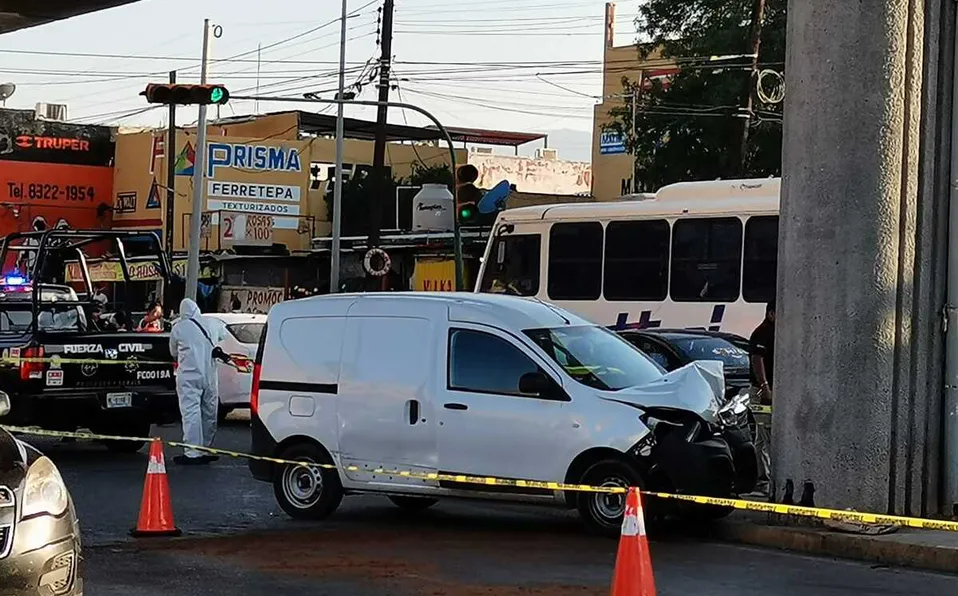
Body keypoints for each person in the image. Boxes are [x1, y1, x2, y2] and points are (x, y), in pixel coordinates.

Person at [168, 298, 226, 465]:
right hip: (209, 375)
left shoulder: (178, 328)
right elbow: (224, 334)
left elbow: (172, 351)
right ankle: (206, 447)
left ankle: (193, 452)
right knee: (209, 412)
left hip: (188, 377)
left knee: (191, 413)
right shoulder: (212, 323)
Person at [748, 300, 775, 494]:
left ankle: (760, 478)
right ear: (771, 313)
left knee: (760, 438)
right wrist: (765, 387)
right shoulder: (762, 333)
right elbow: (757, 360)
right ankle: (767, 481)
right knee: (768, 435)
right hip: (761, 393)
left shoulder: (775, 331)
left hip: (768, 391)